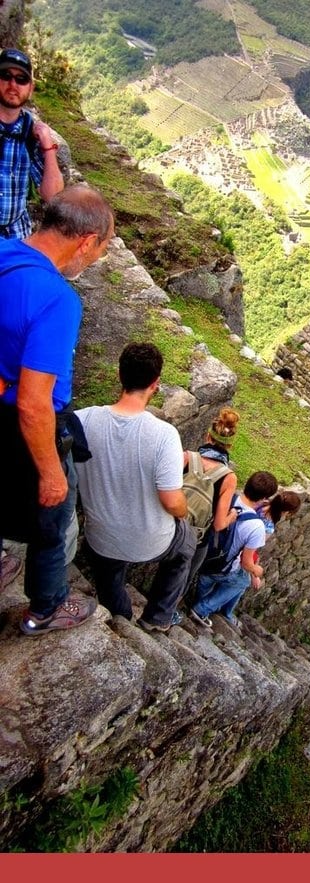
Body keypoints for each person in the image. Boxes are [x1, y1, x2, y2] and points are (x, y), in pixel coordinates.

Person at [0, 184, 114, 635]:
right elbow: (33, 403)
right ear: (86, 241)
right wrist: (50, 471)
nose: (95, 260)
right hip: (19, 425)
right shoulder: (56, 299)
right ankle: (45, 608)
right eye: (100, 250)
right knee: (53, 520)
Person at [75, 343, 197, 632]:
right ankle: (157, 616)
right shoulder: (163, 435)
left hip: (101, 537)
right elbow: (171, 501)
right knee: (186, 544)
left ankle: (120, 618)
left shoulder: (82, 420)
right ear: (155, 385)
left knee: (109, 576)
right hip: (151, 542)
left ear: (119, 374)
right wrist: (183, 511)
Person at [189, 471, 278, 628]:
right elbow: (246, 563)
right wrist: (257, 570)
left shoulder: (228, 497)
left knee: (206, 578)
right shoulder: (256, 526)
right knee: (243, 580)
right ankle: (201, 609)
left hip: (203, 554)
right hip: (222, 566)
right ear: (264, 499)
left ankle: (196, 600)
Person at [0, 48, 64, 239]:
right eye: (5, 76)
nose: (13, 84)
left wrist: (47, 146)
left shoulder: (29, 131)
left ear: (30, 88)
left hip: (16, 235)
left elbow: (52, 195)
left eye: (21, 79)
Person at [184, 407, 240, 585]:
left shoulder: (186, 457)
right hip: (194, 538)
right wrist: (232, 516)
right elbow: (218, 524)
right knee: (184, 576)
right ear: (230, 445)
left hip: (168, 522)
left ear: (208, 437)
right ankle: (170, 610)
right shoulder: (228, 477)